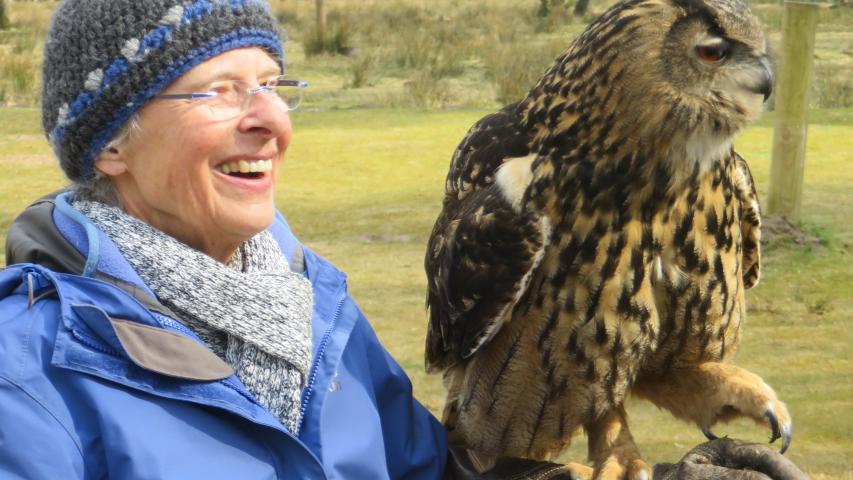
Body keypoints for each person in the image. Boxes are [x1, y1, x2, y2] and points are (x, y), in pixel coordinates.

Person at [0, 0, 809, 479]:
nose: (270, 119)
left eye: (275, 86)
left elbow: (429, 471)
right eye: (219, 91)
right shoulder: (29, 376)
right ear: (111, 146)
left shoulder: (317, 313)